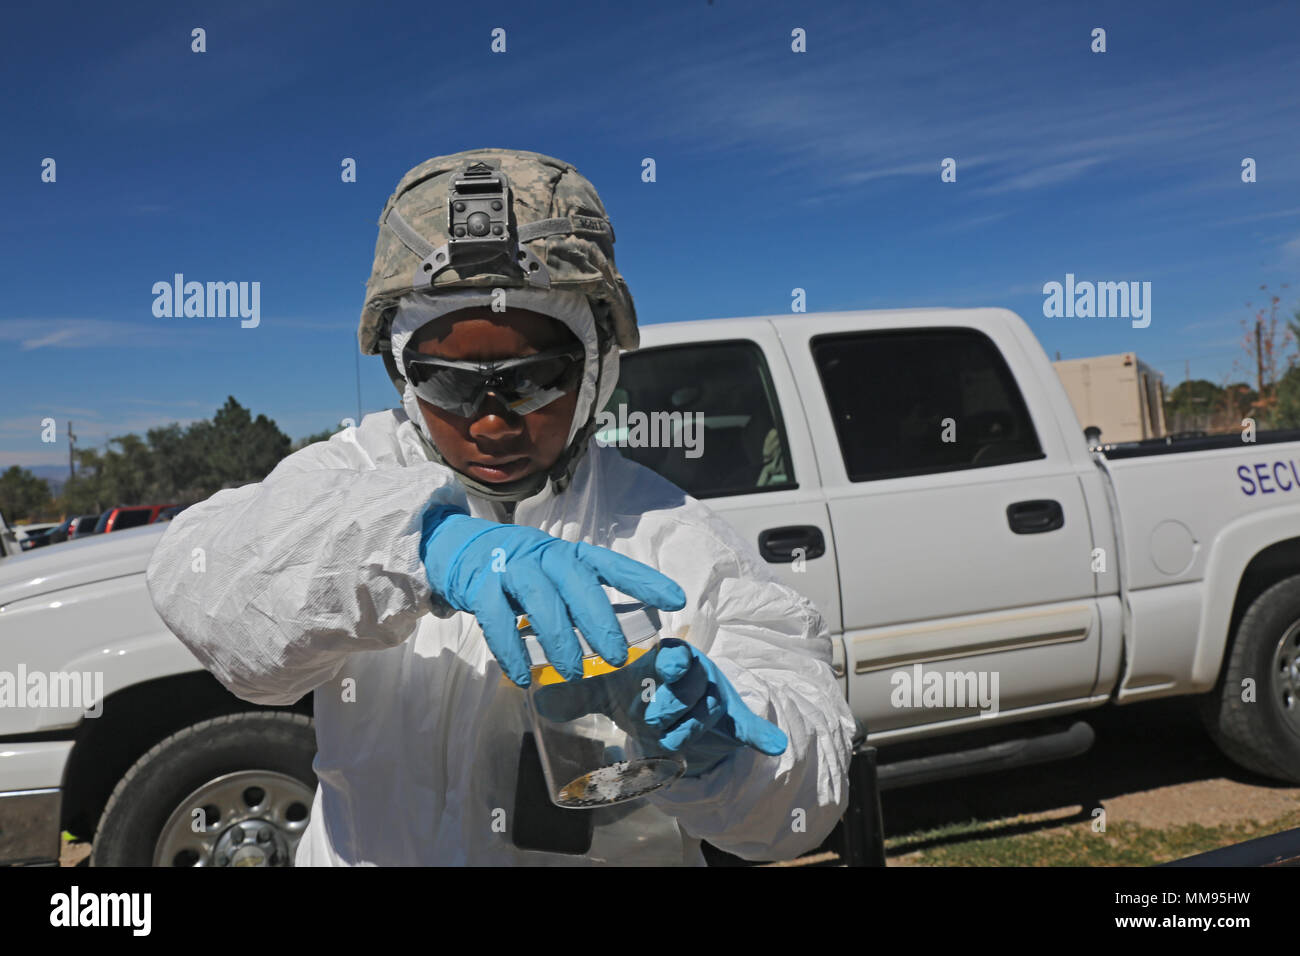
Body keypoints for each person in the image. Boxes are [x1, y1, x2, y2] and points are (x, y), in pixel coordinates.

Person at [146, 148, 856, 865]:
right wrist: (419, 547)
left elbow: (802, 804)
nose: (491, 422)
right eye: (448, 384)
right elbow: (202, 582)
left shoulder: (666, 535)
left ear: (597, 366)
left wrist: (726, 754)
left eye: (535, 378)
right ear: (402, 375)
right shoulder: (356, 474)